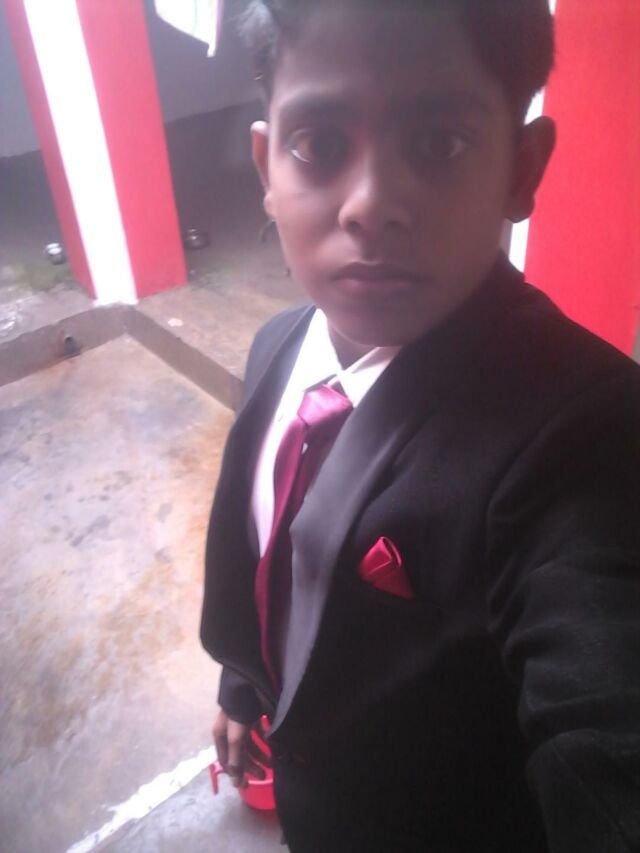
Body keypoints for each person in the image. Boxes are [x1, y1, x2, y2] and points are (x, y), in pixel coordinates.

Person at [200, 1, 640, 850]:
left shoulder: (587, 436)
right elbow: (275, 554)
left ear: (522, 169)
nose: (371, 205)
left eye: (438, 142)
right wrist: (243, 685)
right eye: (319, 143)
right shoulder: (275, 347)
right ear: (267, 165)